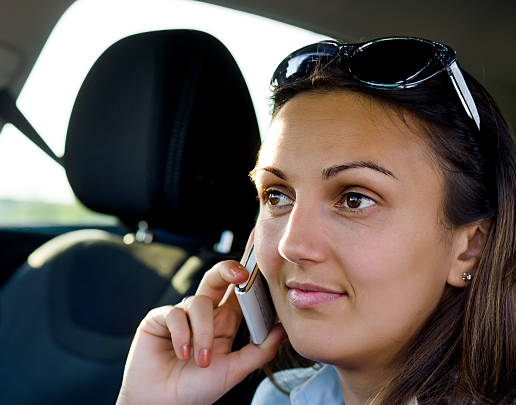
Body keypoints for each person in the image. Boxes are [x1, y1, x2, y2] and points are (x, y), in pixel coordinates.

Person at [116, 37, 516, 404]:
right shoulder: (278, 399)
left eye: (355, 199)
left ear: (470, 247)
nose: (291, 244)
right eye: (277, 196)